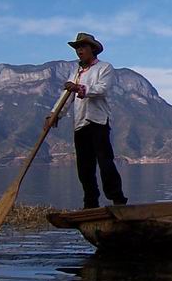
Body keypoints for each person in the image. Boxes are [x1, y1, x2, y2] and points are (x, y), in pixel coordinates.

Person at [46, 33, 127, 209]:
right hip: (80, 123)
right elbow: (66, 98)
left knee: (105, 162)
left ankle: (117, 199)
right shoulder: (75, 73)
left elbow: (101, 90)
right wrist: (54, 115)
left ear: (93, 49)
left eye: (83, 47)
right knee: (84, 167)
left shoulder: (104, 68)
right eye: (77, 48)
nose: (79, 51)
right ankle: (90, 203)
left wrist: (79, 88)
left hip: (98, 121)